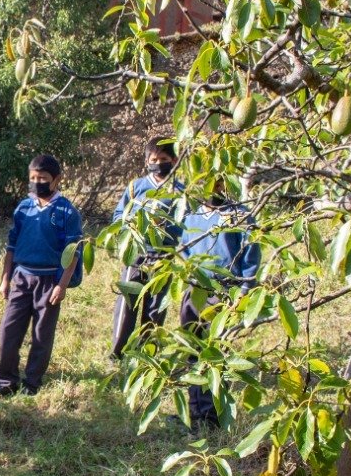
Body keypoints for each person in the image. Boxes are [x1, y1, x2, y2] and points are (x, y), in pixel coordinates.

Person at [0, 155, 84, 396]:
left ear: (56, 180)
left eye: (42, 178)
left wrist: (61, 285)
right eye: (33, 178)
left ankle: (32, 383)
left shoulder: (67, 211)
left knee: (42, 335)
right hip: (21, 278)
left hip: (49, 281)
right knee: (9, 330)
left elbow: (73, 252)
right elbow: (11, 245)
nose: (37, 183)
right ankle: (5, 381)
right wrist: (5, 278)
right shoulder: (23, 208)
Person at [178, 182, 261, 428]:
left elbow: (251, 255)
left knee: (218, 354)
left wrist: (244, 291)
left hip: (225, 292)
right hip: (195, 290)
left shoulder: (240, 216)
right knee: (194, 351)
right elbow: (184, 250)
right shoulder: (191, 216)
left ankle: (216, 413)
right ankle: (196, 413)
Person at [111, 136, 184, 360]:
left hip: (164, 258)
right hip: (137, 255)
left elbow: (186, 222)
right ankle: (118, 352)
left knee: (155, 310)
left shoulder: (180, 191)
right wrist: (128, 227)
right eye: (154, 158)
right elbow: (118, 215)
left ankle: (147, 353)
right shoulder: (136, 187)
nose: (158, 162)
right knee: (127, 304)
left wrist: (168, 227)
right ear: (147, 160)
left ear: (173, 159)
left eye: (163, 158)